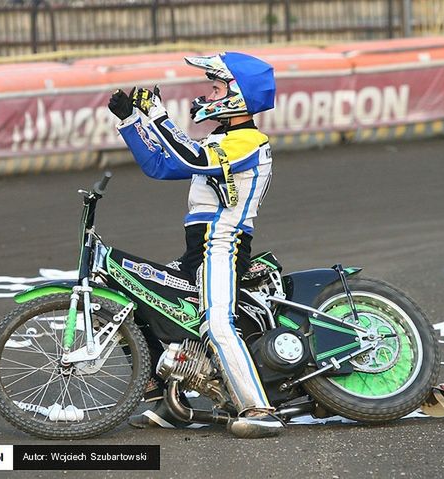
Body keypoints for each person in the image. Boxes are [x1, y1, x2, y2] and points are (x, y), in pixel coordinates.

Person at [108, 52, 282, 439]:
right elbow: (163, 165)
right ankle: (168, 400)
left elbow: (191, 156)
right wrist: (132, 120)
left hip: (223, 245)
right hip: (199, 248)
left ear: (237, 95)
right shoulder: (222, 139)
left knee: (217, 322)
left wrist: (158, 115)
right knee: (141, 298)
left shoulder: (248, 141)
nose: (208, 94)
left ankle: (259, 409)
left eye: (216, 87)